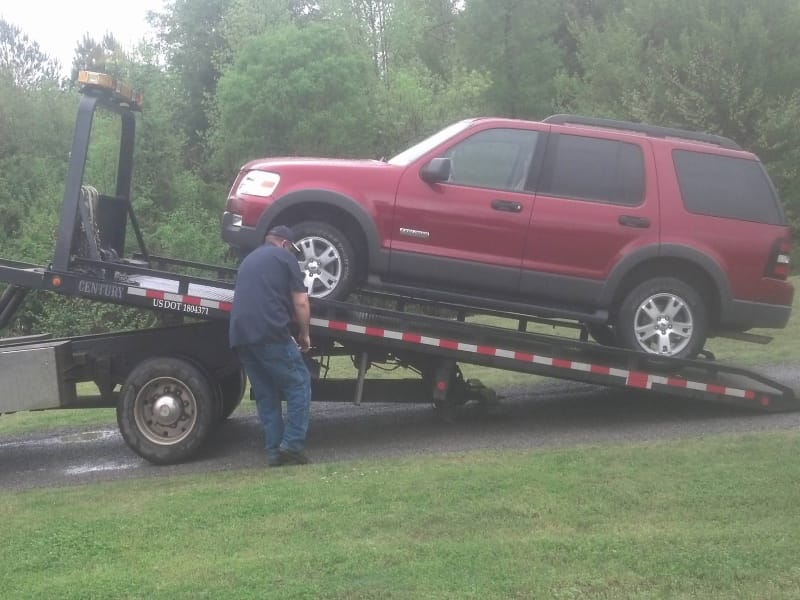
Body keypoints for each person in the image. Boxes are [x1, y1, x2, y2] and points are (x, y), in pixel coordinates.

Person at [229, 225, 312, 467]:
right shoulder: (285, 258)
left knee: (266, 394)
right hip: (270, 332)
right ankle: (292, 446)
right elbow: (301, 302)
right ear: (285, 244)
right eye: (292, 249)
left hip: (241, 335)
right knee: (299, 384)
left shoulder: (248, 260)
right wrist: (304, 334)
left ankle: (275, 452)